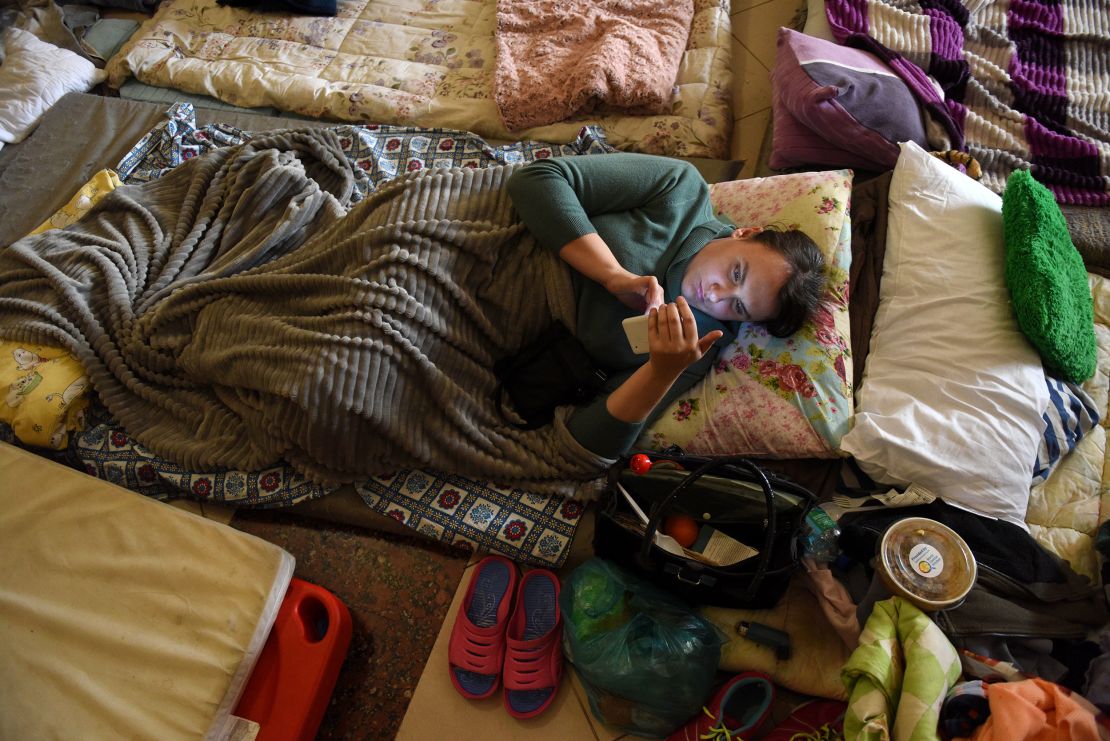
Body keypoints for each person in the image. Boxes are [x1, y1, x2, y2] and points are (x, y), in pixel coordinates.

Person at [507, 152, 825, 459]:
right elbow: (535, 180)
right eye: (736, 272)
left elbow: (587, 446)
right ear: (746, 233)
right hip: (509, 236)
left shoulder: (693, 348)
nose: (716, 295)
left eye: (738, 307)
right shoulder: (680, 189)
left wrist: (662, 371)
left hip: (508, 335)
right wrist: (611, 275)